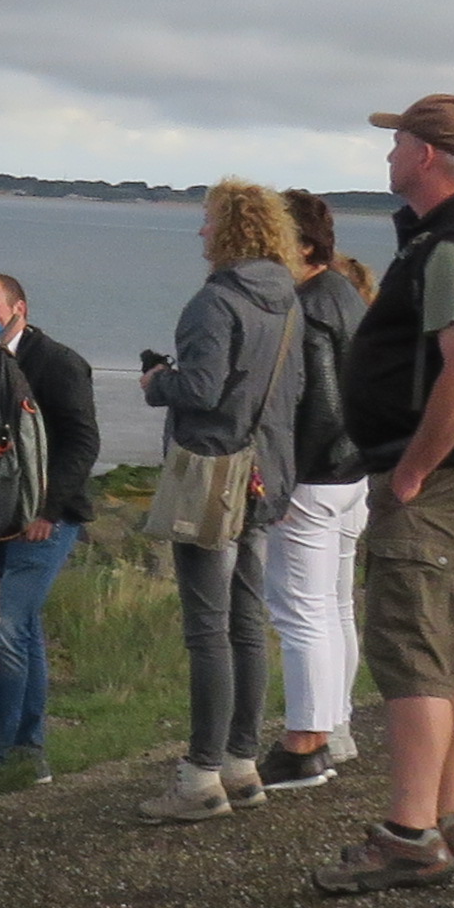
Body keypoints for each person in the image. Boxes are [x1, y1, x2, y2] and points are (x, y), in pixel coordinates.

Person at [315, 94, 454, 896]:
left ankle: (409, 833)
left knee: (412, 654)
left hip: (442, 480)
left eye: (397, 142)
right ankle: (443, 815)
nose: (387, 156)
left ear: (426, 155)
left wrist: (411, 470)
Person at [135, 182, 306, 822]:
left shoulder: (215, 302)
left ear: (231, 230)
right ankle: (241, 763)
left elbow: (201, 389)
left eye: (207, 222)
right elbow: (297, 394)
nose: (200, 233)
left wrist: (158, 383)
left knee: (207, 630)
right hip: (265, 474)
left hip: (212, 478)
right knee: (245, 624)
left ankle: (201, 775)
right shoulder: (288, 301)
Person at [246, 190, 376, 795]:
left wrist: (285, 470)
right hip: (353, 474)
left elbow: (315, 401)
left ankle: (306, 744)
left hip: (316, 474)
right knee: (333, 606)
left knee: (300, 613)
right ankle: (335, 727)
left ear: (301, 244)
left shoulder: (308, 307)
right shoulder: (346, 294)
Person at [0, 275, 98, 789]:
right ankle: (30, 751)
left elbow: (84, 443)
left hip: (47, 520)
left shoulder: (59, 362)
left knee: (4, 626)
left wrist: (47, 511)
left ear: (19, 307)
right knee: (24, 629)